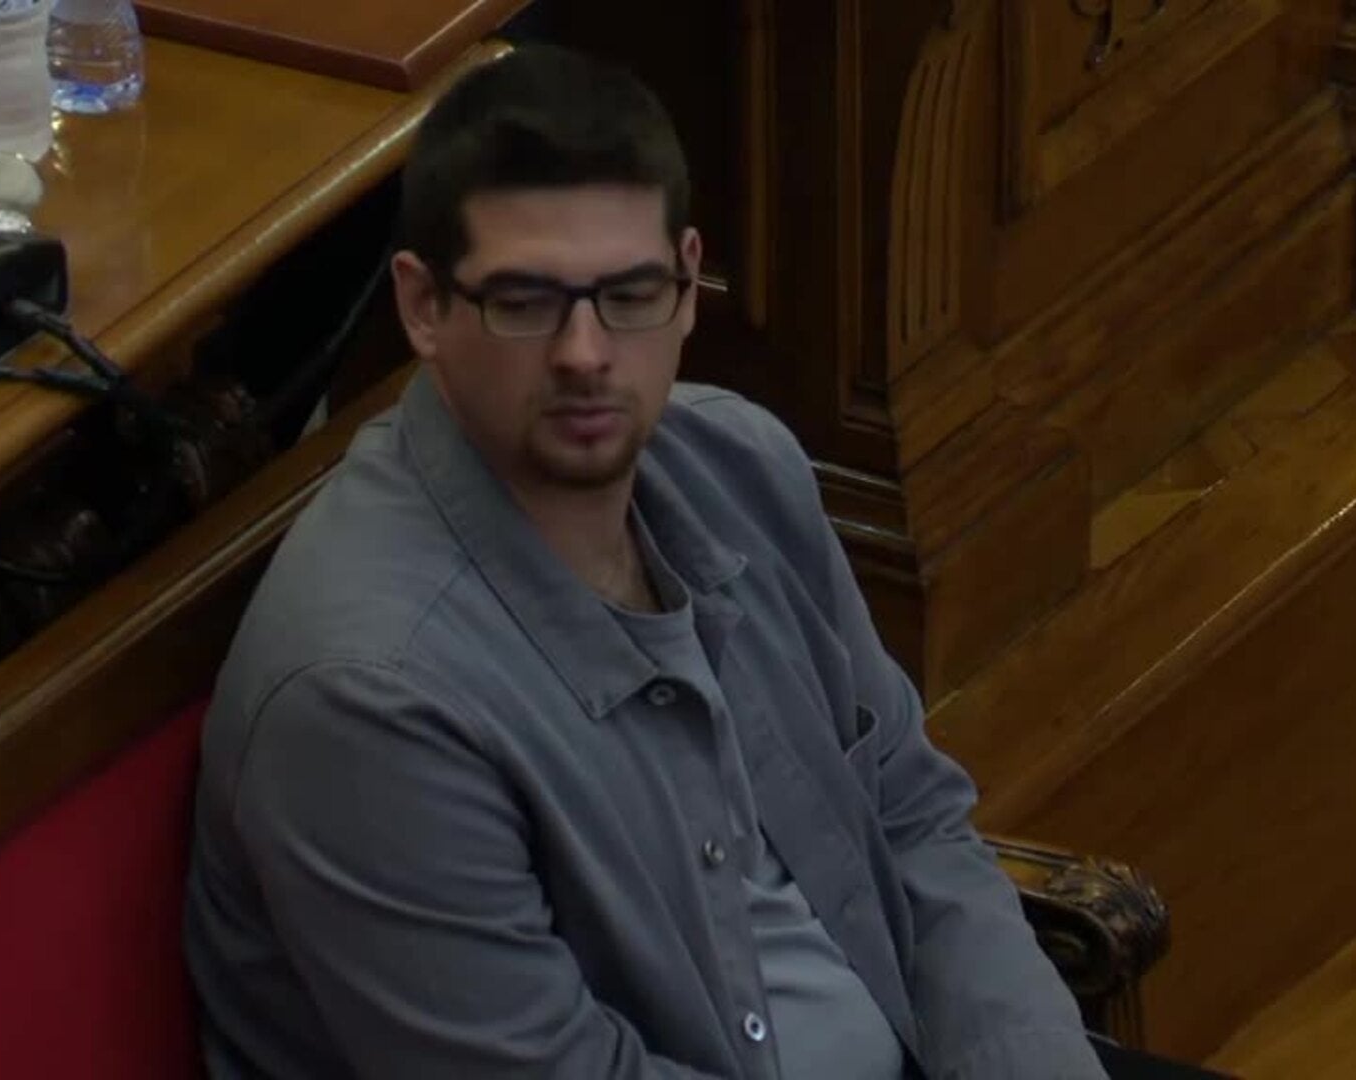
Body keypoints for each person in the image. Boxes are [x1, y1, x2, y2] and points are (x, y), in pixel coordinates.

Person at [183, 43, 1110, 1079]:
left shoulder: (742, 464)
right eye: (525, 300)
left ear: (687, 281)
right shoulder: (367, 699)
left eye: (627, 293)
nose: (585, 354)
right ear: (423, 307)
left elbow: (913, 818)